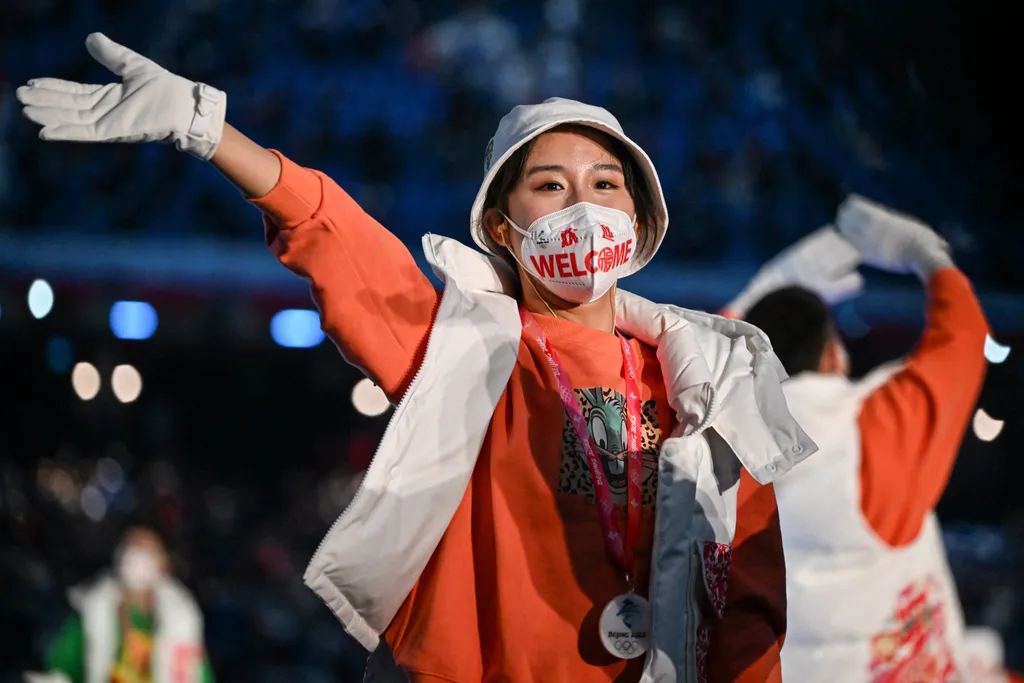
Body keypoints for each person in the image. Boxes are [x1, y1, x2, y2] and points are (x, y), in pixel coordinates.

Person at [18, 33, 819, 682]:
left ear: (639, 223)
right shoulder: (464, 349)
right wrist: (208, 129)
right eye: (549, 185)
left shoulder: (710, 380)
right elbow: (344, 244)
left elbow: (749, 610)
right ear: (501, 228)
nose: (582, 204)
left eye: (606, 183)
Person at [729, 196, 997, 682]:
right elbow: (964, 334)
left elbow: (695, 364)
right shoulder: (875, 428)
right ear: (835, 356)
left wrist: (758, 299)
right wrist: (925, 254)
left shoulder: (710, 435)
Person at [27, 527, 214, 683]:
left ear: (162, 563)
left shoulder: (181, 618)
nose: (133, 553)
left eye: (144, 548)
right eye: (129, 545)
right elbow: (62, 666)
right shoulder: (91, 609)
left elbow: (196, 673)